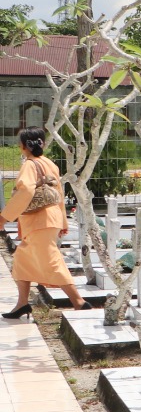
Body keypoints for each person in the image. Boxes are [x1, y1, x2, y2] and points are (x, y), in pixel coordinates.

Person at [2, 128, 89, 318]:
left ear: (23, 146)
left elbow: (25, 192)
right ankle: (22, 304)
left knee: (51, 260)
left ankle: (78, 301)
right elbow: (59, 194)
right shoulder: (50, 164)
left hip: (38, 220)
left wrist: (3, 218)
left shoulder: (29, 165)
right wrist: (63, 221)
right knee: (22, 260)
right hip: (51, 217)